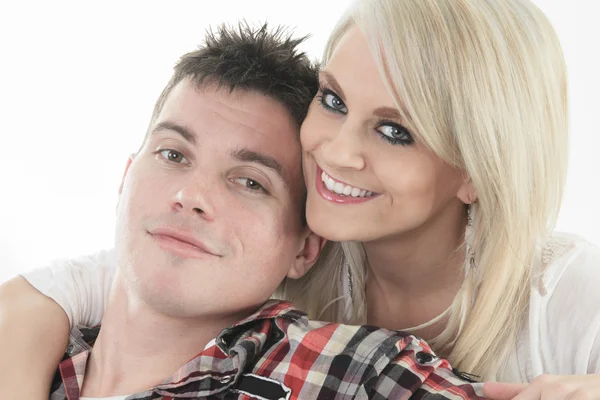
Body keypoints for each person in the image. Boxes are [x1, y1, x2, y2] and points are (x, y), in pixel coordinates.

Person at [3, 0, 600, 397]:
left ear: (478, 169)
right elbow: (68, 288)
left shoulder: (564, 292)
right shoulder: (290, 238)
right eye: (335, 101)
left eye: (395, 131)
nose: (335, 152)